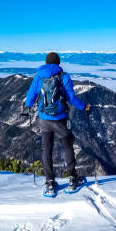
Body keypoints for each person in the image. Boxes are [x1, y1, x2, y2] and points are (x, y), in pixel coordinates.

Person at [24, 52, 91, 196]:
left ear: (46, 62)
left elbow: (30, 98)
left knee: (46, 150)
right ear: (58, 63)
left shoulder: (38, 77)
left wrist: (27, 105)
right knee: (67, 146)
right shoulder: (64, 77)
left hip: (43, 120)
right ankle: (73, 178)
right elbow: (71, 98)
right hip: (60, 119)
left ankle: (50, 182)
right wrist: (84, 106)